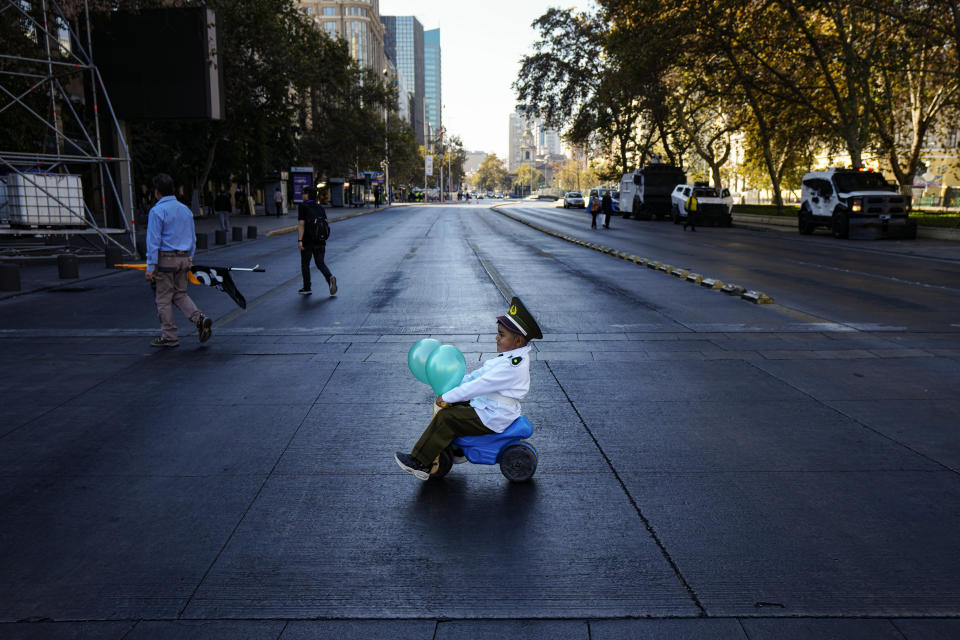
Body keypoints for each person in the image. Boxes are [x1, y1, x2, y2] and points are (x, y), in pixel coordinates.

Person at [395, 297, 543, 481]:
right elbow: (478, 376)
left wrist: (448, 396)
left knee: (447, 417)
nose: (497, 338)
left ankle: (420, 462)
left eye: (501, 334)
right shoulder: (510, 357)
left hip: (494, 415)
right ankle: (455, 449)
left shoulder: (511, 366)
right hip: (491, 408)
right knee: (456, 407)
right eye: (498, 333)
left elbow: (479, 386)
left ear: (518, 340)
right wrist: (455, 383)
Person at [145, 173, 212, 348]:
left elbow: (153, 241)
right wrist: (190, 258)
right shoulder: (185, 210)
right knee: (180, 293)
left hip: (166, 259)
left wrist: (150, 266)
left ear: (157, 191)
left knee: (163, 299)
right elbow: (193, 238)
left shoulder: (157, 211)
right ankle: (199, 319)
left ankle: (169, 336)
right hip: (184, 258)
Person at [297, 186, 337, 296]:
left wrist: (300, 240)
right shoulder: (320, 207)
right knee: (320, 263)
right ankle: (329, 278)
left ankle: (307, 287)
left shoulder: (303, 206)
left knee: (305, 264)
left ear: (307, 195)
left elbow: (301, 224)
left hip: (308, 240)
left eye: (303, 193)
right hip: (320, 240)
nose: (302, 195)